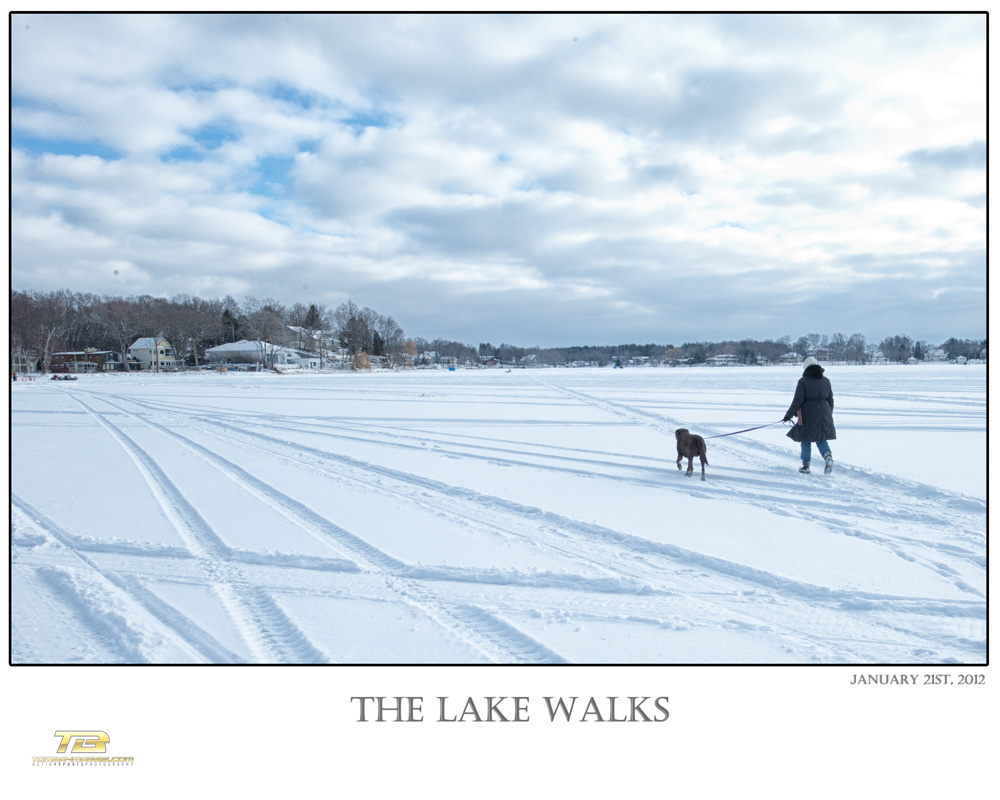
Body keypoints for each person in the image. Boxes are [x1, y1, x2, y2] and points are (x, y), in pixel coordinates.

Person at [783, 356, 836, 474]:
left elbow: (797, 400)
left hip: (808, 414)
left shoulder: (803, 381)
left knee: (805, 439)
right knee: (821, 439)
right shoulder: (826, 381)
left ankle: (806, 466)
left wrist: (788, 415)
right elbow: (830, 400)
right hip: (825, 412)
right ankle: (828, 457)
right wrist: (828, 414)